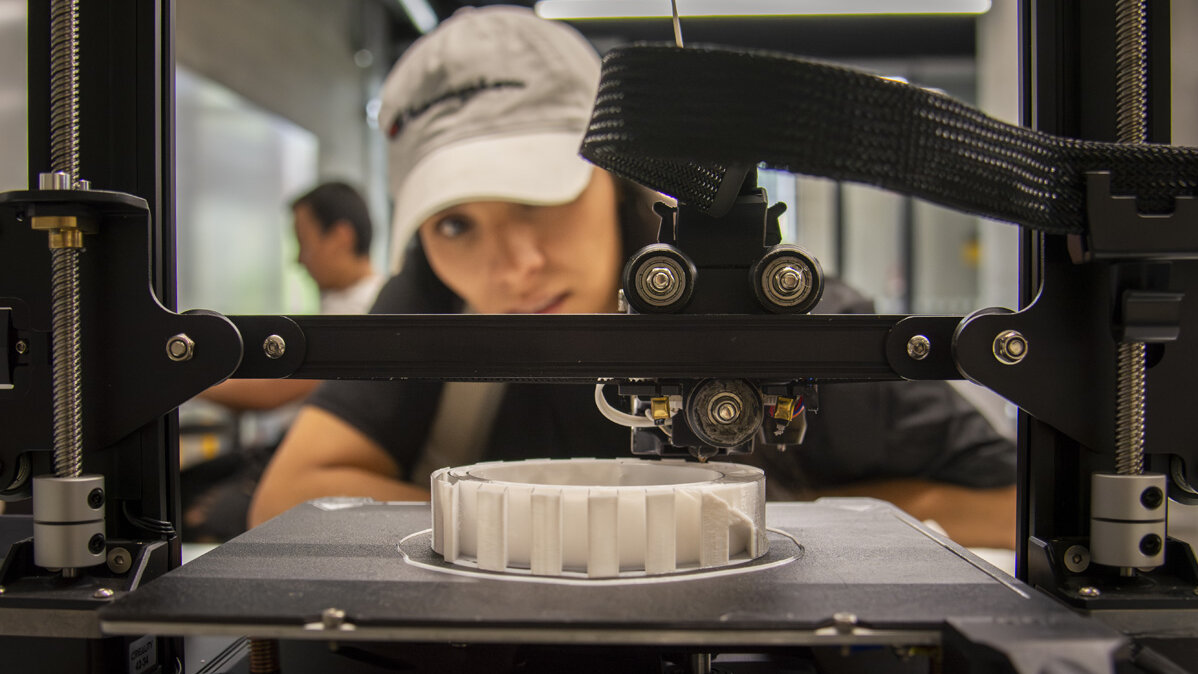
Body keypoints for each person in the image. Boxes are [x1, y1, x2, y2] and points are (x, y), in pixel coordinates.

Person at [249, 5, 1016, 549]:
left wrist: (790, 516)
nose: (514, 266)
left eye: (536, 198)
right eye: (456, 224)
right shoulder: (430, 299)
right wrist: (585, 531)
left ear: (617, 183)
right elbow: (287, 499)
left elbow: (1015, 507)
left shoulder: (765, 313)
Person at [183, 181, 385, 541]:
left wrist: (182, 376)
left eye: (303, 243)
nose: (298, 259)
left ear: (339, 236)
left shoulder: (367, 310)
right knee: (183, 485)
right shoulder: (341, 302)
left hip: (321, 461)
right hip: (283, 449)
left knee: (197, 514)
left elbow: (274, 391)